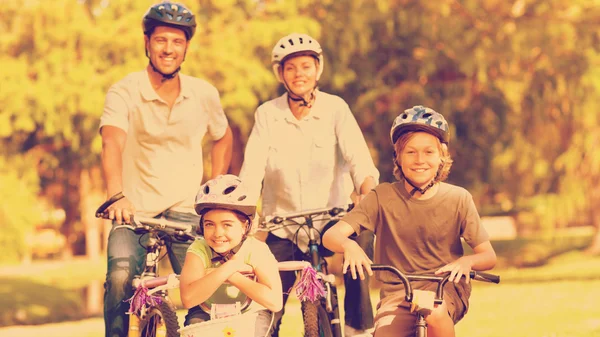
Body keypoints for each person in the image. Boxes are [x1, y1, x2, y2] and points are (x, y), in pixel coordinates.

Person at [99, 2, 233, 336]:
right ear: (147, 42)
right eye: (160, 40)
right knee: (119, 279)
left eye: (176, 41)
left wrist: (214, 189)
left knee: (205, 291)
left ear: (186, 46)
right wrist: (116, 195)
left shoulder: (204, 94)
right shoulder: (125, 91)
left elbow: (223, 137)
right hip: (132, 213)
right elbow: (111, 142)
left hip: (187, 211)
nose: (168, 49)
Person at [239, 33, 379, 336]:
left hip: (331, 222)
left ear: (318, 69)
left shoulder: (335, 109)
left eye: (305, 66)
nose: (299, 73)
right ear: (281, 74)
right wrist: (245, 215)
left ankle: (359, 327)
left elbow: (360, 162)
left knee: (360, 240)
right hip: (283, 226)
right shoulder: (267, 115)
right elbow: (251, 172)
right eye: (290, 68)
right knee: (265, 305)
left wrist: (367, 196)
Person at [322, 105, 497, 337]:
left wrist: (466, 263)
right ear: (398, 157)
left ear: (441, 157)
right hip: (398, 294)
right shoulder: (381, 196)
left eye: (428, 152)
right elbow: (330, 236)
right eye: (410, 152)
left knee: (433, 311)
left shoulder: (459, 198)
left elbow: (488, 256)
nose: (419, 160)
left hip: (445, 289)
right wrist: (349, 245)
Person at [180, 174, 283, 336]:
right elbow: (189, 299)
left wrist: (233, 275)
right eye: (209, 225)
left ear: (245, 226)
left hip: (251, 313)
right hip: (205, 312)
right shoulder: (198, 249)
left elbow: (275, 302)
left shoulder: (256, 250)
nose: (218, 233)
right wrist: (229, 267)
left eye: (227, 224)